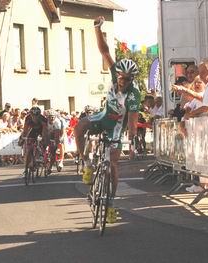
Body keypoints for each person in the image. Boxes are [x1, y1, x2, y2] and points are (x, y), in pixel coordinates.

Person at [74, 16, 140, 224]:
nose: (122, 81)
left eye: (127, 79)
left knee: (112, 164)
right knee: (79, 126)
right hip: (103, 118)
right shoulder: (114, 74)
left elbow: (132, 120)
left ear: (132, 80)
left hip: (116, 128)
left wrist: (132, 141)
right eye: (120, 77)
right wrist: (97, 28)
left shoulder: (134, 94)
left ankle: (110, 204)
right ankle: (86, 164)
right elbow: (104, 52)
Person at [18, 106, 48, 177]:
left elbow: (44, 131)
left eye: (36, 116)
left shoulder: (43, 119)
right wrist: (23, 138)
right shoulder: (28, 118)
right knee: (29, 147)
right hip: (33, 130)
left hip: (41, 130)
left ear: (39, 115)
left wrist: (43, 139)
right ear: (30, 115)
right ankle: (26, 169)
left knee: (43, 141)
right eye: (33, 115)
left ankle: (40, 155)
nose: (35, 117)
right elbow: (25, 130)